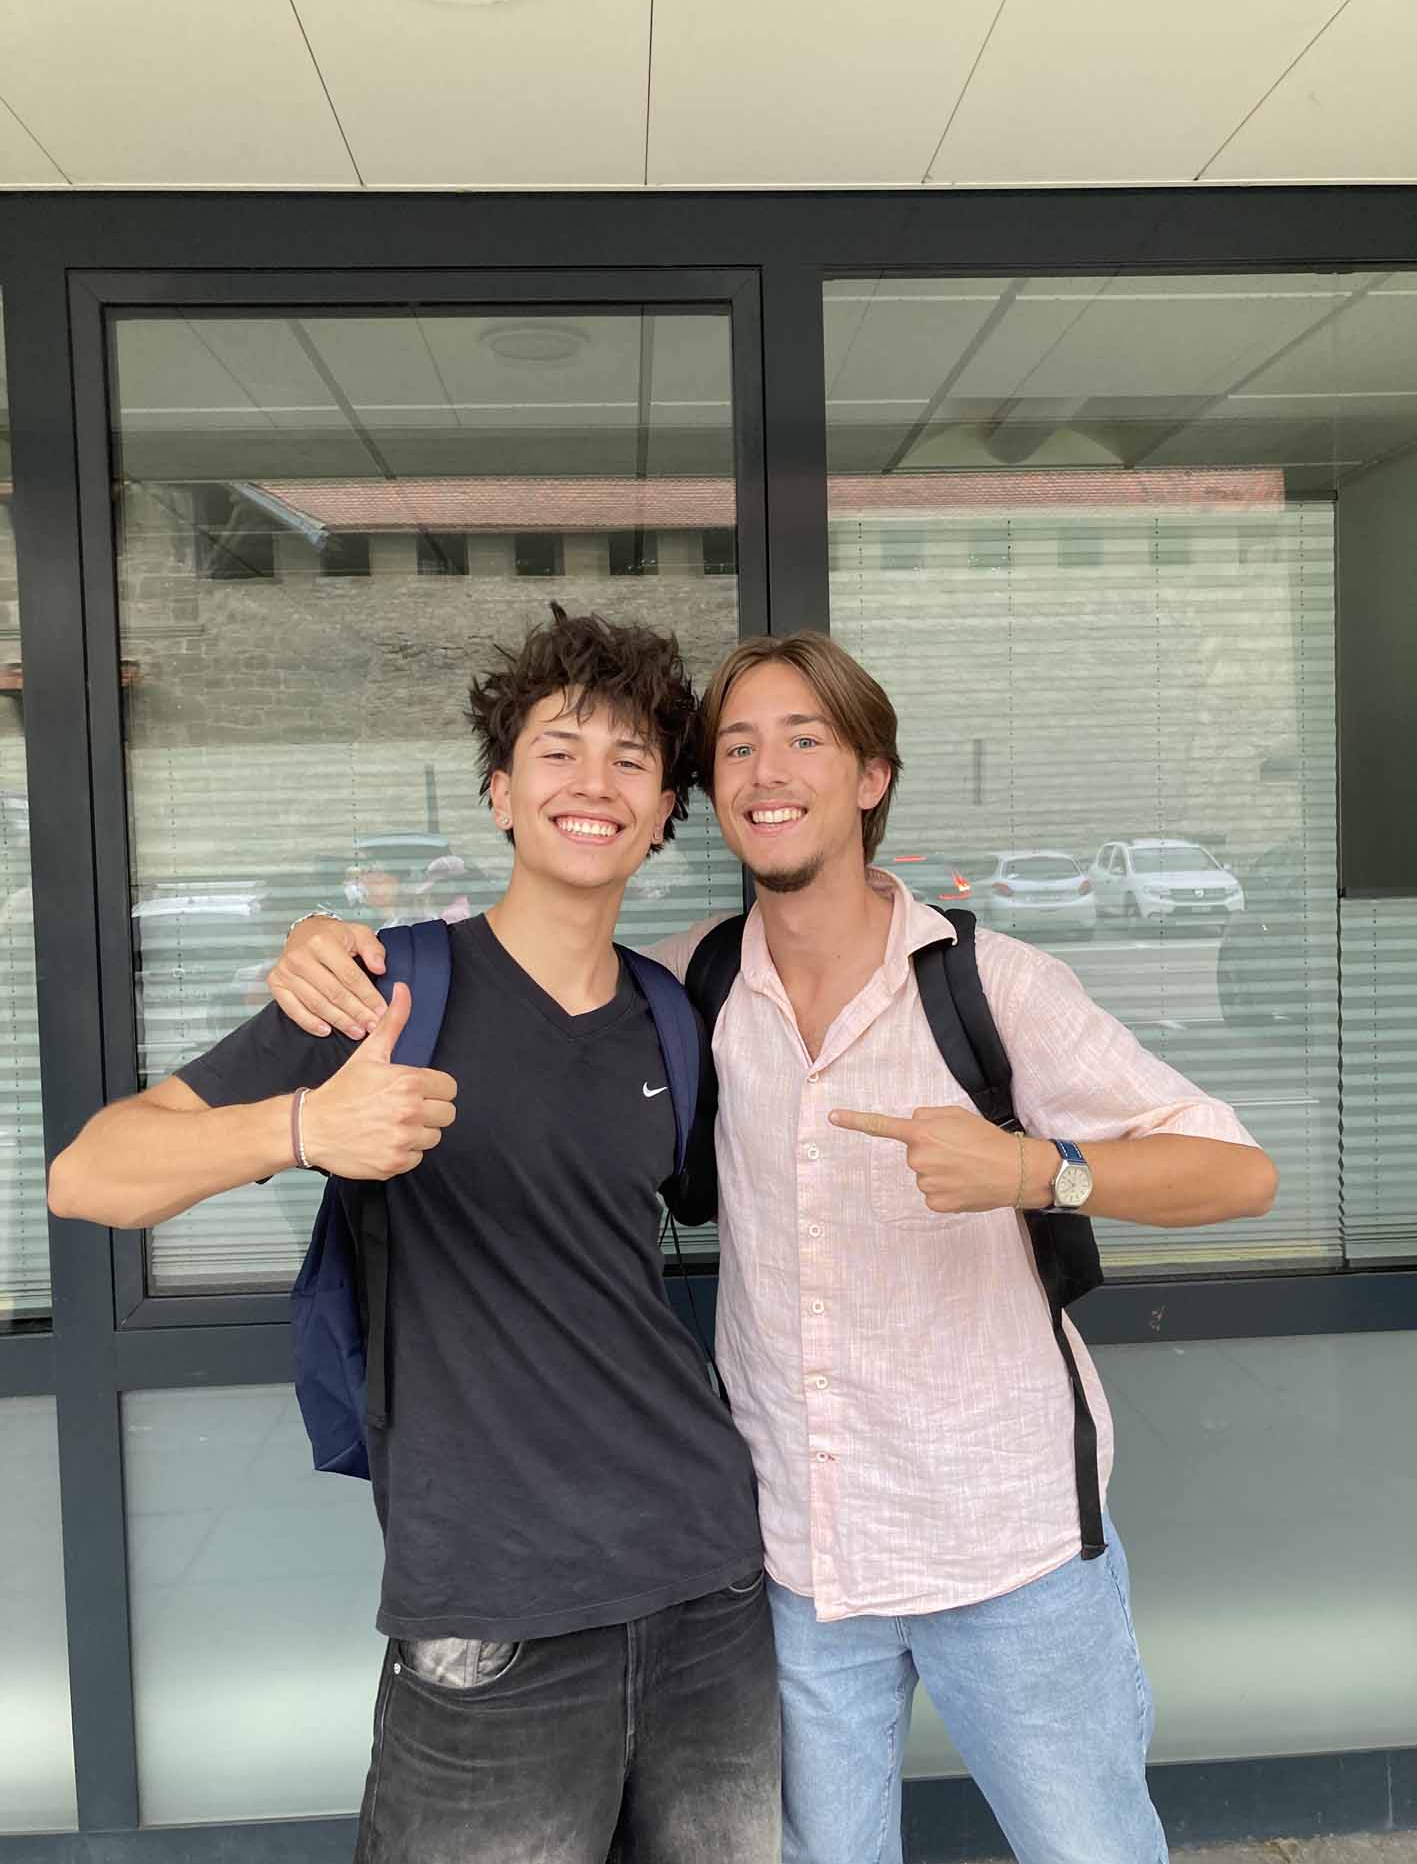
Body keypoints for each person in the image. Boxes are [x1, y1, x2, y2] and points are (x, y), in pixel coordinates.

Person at [270, 629, 1279, 1864]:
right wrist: (328, 940)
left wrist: (1036, 1169)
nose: (768, 769)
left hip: (1008, 1549)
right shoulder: (684, 987)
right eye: (738, 746)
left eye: (806, 737)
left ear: (869, 775)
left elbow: (1237, 1170)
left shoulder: (991, 986)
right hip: (797, 1568)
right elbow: (528, 973)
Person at [47, 608, 779, 1864]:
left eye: (630, 759)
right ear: (500, 791)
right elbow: (89, 1174)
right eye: (557, 751)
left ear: (665, 811)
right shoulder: (380, 986)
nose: (592, 783)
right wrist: (302, 1125)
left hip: (709, 1579)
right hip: (491, 1605)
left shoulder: (671, 1016)